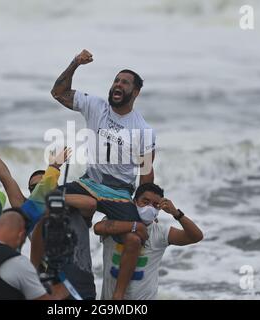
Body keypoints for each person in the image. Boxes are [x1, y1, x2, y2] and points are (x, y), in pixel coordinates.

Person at [51, 49, 156, 299]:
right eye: (116, 81)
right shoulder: (96, 105)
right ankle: (55, 277)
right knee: (47, 201)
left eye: (125, 83)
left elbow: (146, 175)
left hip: (119, 193)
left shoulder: (143, 130)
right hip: (89, 183)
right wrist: (75, 63)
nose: (118, 85)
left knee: (135, 238)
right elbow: (58, 93)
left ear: (136, 92)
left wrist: (145, 205)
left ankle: (117, 296)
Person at [0, 119, 97, 299]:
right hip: (44, 287)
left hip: (80, 284)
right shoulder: (28, 212)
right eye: (33, 188)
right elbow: (5, 176)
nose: (38, 190)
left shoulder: (72, 209)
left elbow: (91, 204)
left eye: (42, 185)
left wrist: (57, 198)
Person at [94, 183, 204, 300]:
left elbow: (196, 236)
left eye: (155, 205)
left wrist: (176, 213)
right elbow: (99, 228)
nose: (149, 208)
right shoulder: (115, 223)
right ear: (135, 201)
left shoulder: (160, 233)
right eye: (145, 202)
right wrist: (135, 226)